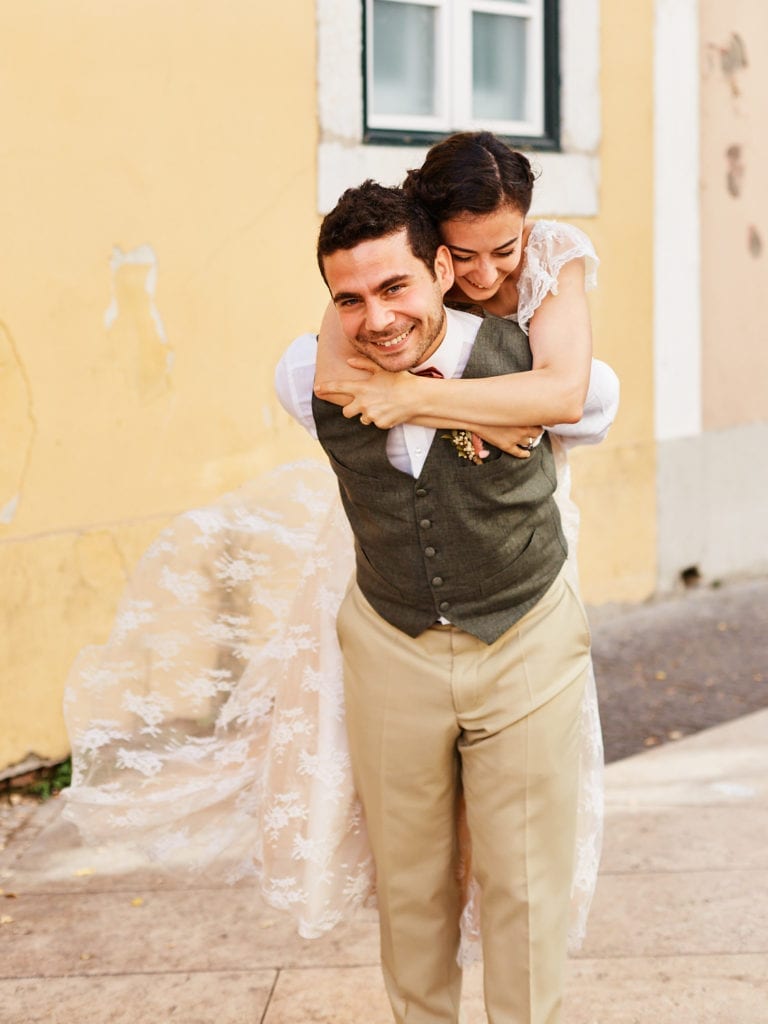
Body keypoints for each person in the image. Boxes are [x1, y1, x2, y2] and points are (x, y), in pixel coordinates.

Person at [276, 178, 602, 1024]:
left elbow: (577, 399)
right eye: (349, 297)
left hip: (524, 635)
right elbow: (326, 357)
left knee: (524, 884)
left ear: (443, 271)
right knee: (410, 887)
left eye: (394, 287)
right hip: (390, 642)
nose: (376, 318)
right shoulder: (305, 376)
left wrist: (436, 397)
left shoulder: (535, 363)